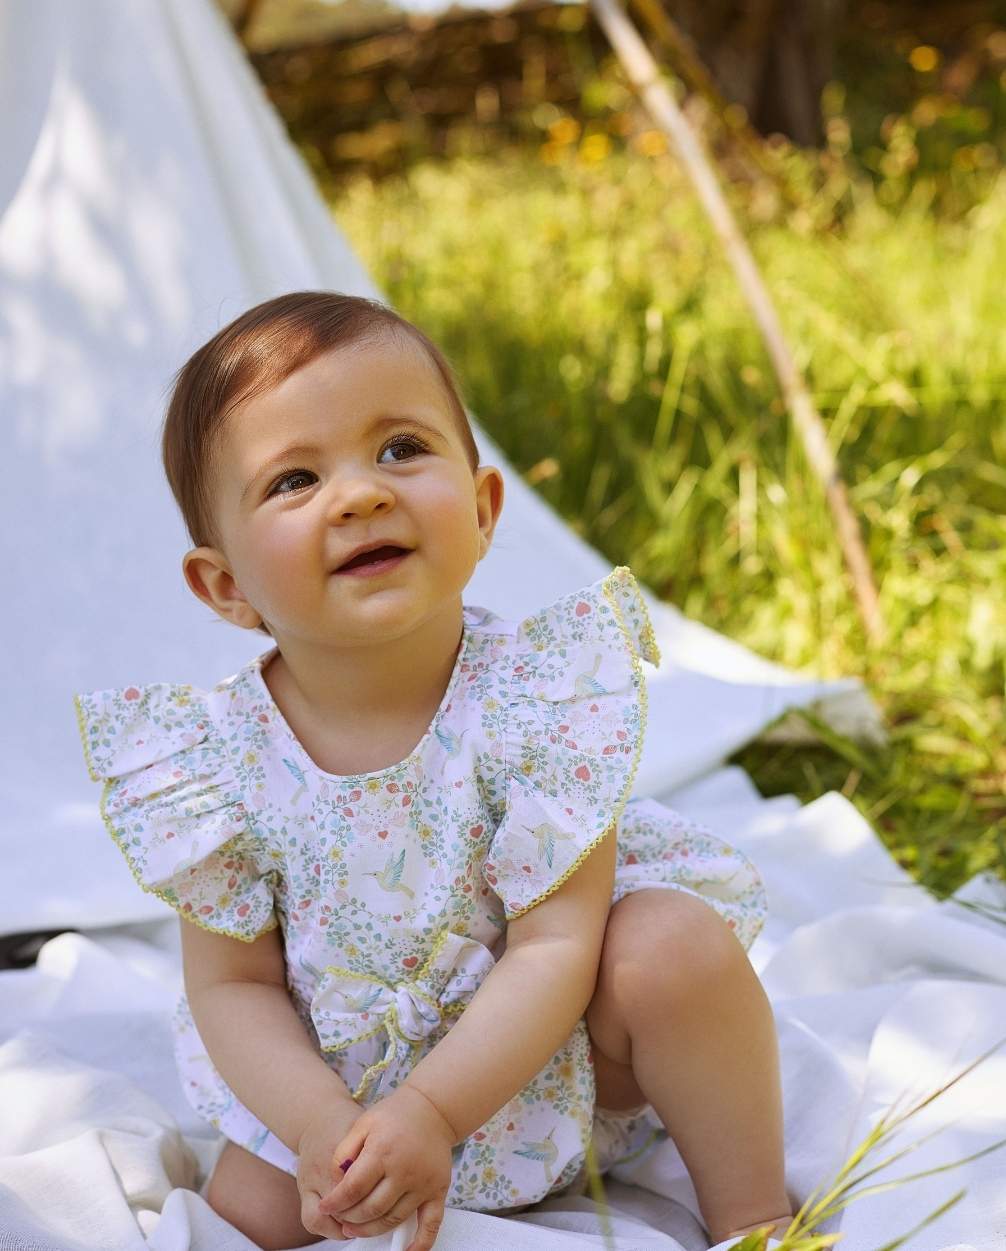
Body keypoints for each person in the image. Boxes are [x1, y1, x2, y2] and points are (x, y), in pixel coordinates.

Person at [73, 291, 793, 1251]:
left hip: (564, 1051)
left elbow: (555, 947)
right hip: (347, 1076)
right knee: (242, 1215)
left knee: (673, 948)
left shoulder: (538, 699)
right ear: (227, 585)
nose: (362, 493)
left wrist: (439, 1113)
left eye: (401, 449)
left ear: (486, 508)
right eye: (293, 479)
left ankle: (757, 1216)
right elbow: (232, 989)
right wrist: (316, 1125)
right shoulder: (216, 763)